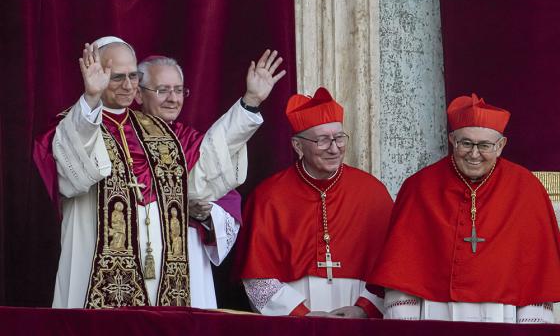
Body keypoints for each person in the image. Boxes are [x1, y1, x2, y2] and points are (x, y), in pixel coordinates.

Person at [38, 36, 285, 308]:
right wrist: (91, 97)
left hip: (161, 275)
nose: (129, 85)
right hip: (95, 270)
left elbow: (208, 168)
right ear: (95, 75)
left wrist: (249, 103)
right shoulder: (76, 123)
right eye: (117, 77)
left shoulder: (161, 131)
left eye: (133, 76)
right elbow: (74, 172)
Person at [369, 93, 560, 323]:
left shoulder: (527, 188)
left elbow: (536, 276)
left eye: (485, 145)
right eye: (466, 143)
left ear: (501, 146)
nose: (474, 154)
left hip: (504, 318)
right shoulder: (420, 187)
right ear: (452, 140)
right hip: (435, 317)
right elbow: (401, 272)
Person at [237, 87, 393, 317]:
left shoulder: (373, 192)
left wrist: (364, 309)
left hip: (359, 320)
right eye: (322, 140)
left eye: (339, 138)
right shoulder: (269, 196)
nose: (334, 148)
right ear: (298, 146)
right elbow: (257, 279)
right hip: (293, 323)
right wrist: (301, 316)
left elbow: (392, 266)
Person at [135, 55, 244, 308]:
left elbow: (227, 200)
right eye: (163, 90)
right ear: (139, 95)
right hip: (136, 254)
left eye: (178, 90)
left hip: (188, 257)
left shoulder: (195, 143)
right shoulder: (122, 140)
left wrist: (206, 214)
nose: (173, 99)